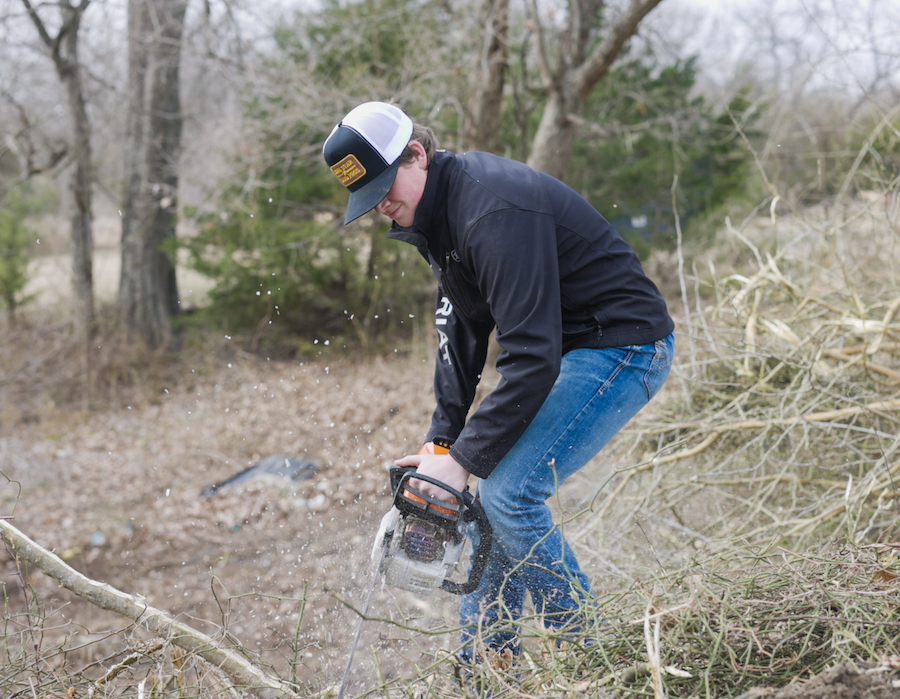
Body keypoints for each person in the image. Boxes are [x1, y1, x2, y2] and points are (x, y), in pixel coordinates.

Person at [323, 101, 675, 663]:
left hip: (622, 346)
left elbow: (531, 358)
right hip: (567, 349)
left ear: (417, 154)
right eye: (371, 198)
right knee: (489, 501)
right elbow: (461, 327)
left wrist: (462, 461)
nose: (383, 205)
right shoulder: (436, 217)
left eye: (388, 185)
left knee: (509, 495)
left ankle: (595, 655)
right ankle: (486, 665)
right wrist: (441, 442)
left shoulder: (491, 209)